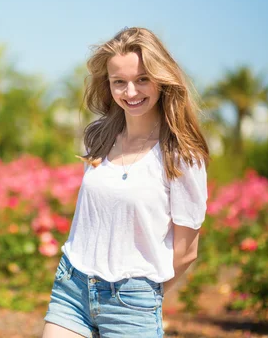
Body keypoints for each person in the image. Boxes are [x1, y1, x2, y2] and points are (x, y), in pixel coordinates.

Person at [42, 27, 209, 338]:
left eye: (142, 79)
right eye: (120, 82)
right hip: (72, 287)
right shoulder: (100, 136)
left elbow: (187, 251)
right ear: (108, 84)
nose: (130, 92)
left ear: (162, 79)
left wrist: (143, 296)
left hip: (133, 301)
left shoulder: (181, 154)